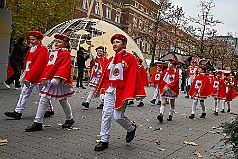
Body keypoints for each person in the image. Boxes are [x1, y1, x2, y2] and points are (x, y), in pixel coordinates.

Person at [94, 34, 146, 151]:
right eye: (113, 42)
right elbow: (105, 77)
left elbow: (133, 77)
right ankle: (104, 140)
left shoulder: (130, 58)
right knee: (106, 114)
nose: (115, 44)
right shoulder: (110, 60)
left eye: (117, 42)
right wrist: (103, 91)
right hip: (110, 91)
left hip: (122, 92)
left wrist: (130, 94)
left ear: (124, 44)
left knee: (117, 117)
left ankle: (131, 128)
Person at [25, 34, 75, 132]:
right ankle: (37, 122)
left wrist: (57, 79)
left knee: (63, 101)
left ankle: (69, 118)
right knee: (44, 99)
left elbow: (64, 67)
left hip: (58, 81)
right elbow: (49, 66)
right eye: (56, 41)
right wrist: (45, 77)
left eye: (59, 42)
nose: (56, 43)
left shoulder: (66, 54)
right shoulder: (53, 52)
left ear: (65, 44)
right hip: (50, 80)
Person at [4, 31, 54, 120]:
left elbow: (38, 65)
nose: (31, 41)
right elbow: (28, 62)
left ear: (39, 39)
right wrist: (25, 72)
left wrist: (29, 76)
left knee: (42, 94)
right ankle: (18, 111)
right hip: (30, 75)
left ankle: (49, 109)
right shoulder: (32, 49)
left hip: (38, 76)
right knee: (24, 93)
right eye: (30, 39)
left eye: (33, 39)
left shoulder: (43, 49)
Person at [157, 58, 179, 123]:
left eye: (170, 63)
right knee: (163, 102)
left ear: (174, 65)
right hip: (165, 88)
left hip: (172, 89)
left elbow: (176, 81)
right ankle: (161, 114)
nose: (168, 64)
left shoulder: (176, 73)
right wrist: (161, 85)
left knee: (172, 102)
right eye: (169, 63)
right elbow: (162, 78)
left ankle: (170, 115)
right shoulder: (165, 71)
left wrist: (169, 86)